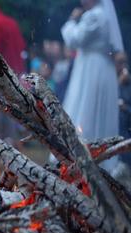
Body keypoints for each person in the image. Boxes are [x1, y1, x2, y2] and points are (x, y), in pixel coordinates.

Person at [61, 0, 124, 171]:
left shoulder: (93, 16)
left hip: (91, 70)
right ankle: (98, 153)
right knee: (94, 109)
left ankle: (82, 153)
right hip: (101, 68)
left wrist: (71, 21)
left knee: (85, 108)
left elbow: (74, 39)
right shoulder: (105, 16)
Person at [115, 52, 131, 167]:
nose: (123, 66)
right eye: (120, 62)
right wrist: (118, 84)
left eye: (125, 62)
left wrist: (126, 108)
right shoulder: (109, 82)